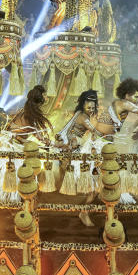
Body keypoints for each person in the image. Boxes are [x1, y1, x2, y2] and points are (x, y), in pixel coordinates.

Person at [55, 90, 116, 226]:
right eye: (88, 107)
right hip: (77, 152)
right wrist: (111, 133)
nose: (91, 109)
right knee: (94, 186)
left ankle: (87, 211)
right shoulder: (82, 117)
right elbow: (95, 131)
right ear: (83, 106)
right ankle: (84, 212)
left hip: (81, 149)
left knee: (96, 186)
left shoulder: (83, 115)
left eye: (93, 107)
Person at [0, 85, 55, 200]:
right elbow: (40, 137)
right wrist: (52, 145)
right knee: (22, 174)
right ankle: (22, 199)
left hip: (11, 144)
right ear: (41, 98)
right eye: (45, 95)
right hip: (11, 146)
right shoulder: (29, 115)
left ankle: (22, 198)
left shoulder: (25, 111)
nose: (47, 97)